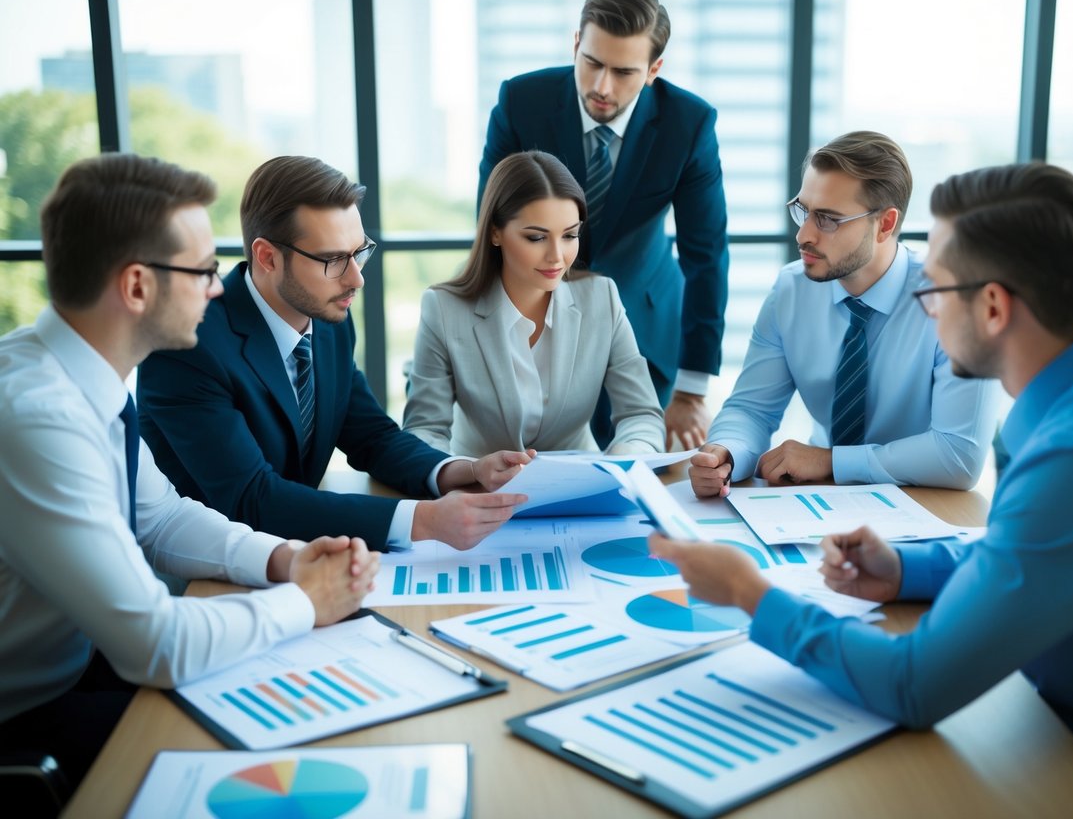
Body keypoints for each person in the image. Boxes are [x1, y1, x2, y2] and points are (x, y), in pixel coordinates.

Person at [651, 162, 1073, 801]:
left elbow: (912, 685)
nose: (928, 307)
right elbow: (1034, 550)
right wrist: (910, 571)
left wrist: (752, 594)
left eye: (936, 289)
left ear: (994, 307)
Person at [0, 154, 379, 794]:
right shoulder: (38, 418)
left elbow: (162, 516)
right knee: (272, 757)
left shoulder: (82, 379)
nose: (217, 288)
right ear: (138, 287)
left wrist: (285, 560)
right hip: (30, 716)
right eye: (203, 271)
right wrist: (306, 601)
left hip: (83, 666)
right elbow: (157, 644)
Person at [138, 156, 531, 553]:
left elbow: (372, 437)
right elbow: (250, 498)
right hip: (205, 571)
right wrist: (421, 520)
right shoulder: (188, 345)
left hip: (299, 554)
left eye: (358, 252)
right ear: (267, 257)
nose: (356, 277)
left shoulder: (328, 321)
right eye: (333, 260)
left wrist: (464, 470)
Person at [478, 0, 728, 451]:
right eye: (592, 62)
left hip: (644, 326)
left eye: (624, 71)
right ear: (576, 44)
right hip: (534, 322)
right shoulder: (521, 101)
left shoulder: (688, 124)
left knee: (640, 470)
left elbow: (706, 255)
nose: (601, 87)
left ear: (654, 70)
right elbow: (491, 226)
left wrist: (693, 389)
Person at [691, 131, 999, 496]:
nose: (803, 235)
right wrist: (726, 451)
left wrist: (831, 461)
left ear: (884, 224)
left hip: (926, 503)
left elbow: (960, 455)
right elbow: (752, 408)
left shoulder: (956, 302)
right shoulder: (791, 291)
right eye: (803, 211)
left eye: (828, 220)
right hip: (819, 499)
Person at [403, 151, 665, 458]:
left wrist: (623, 458)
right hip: (477, 491)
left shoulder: (601, 298)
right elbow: (424, 430)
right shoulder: (444, 309)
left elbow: (642, 415)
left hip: (579, 489)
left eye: (569, 235)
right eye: (537, 238)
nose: (557, 255)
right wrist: (459, 474)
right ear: (495, 232)